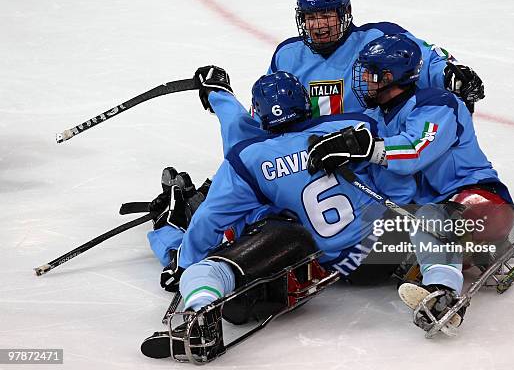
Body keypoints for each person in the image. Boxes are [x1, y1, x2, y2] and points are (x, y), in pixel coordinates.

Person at [141, 70, 421, 360]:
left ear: (260, 114)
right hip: (372, 252)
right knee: (442, 220)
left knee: (210, 268)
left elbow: (211, 218)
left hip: (305, 252)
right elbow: (400, 187)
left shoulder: (248, 155)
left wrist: (187, 263)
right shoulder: (355, 125)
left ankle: (195, 297)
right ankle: (443, 278)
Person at [306, 33, 514, 333]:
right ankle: (443, 260)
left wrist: (365, 147)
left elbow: (413, 151)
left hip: (483, 202)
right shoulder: (373, 116)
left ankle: (443, 294)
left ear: (390, 77)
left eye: (369, 73)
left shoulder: (440, 104)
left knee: (432, 216)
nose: (362, 79)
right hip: (424, 214)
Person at [267, 0, 484, 116]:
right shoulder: (286, 55)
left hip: (371, 150)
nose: (318, 25)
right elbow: (267, 108)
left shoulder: (378, 38)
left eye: (326, 15)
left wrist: (447, 73)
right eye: (310, 17)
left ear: (346, 11)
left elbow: (423, 59)